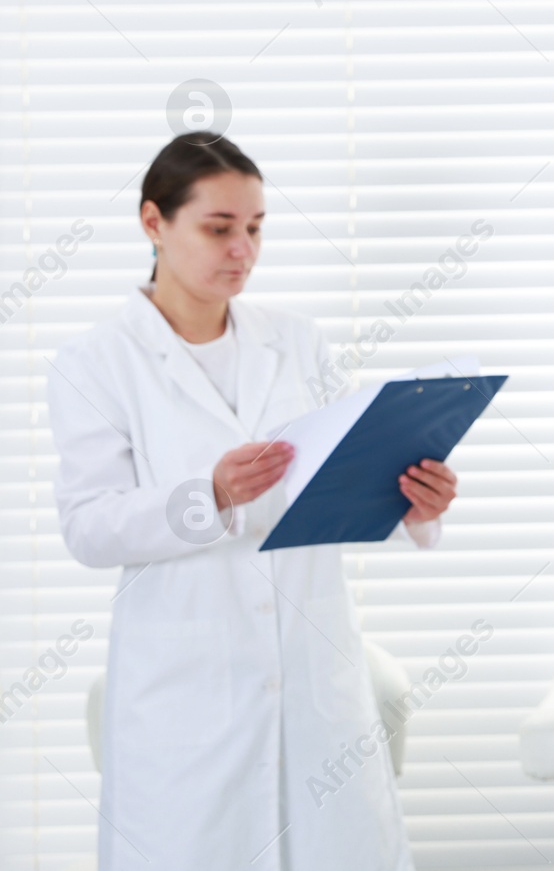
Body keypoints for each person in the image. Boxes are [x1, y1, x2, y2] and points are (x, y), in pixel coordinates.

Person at [46, 131, 459, 870]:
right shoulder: (96, 362)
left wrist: (411, 506)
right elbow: (89, 527)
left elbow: (341, 483)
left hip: (312, 684)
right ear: (153, 223)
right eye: (219, 228)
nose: (242, 249)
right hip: (185, 699)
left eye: (256, 228)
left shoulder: (297, 344)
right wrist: (209, 494)